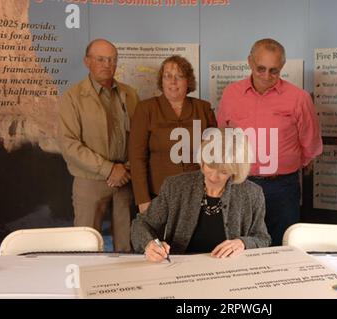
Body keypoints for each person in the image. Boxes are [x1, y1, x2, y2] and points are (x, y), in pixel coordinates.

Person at [217, 38, 322, 246]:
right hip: (241, 183)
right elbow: (224, 137)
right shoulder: (231, 94)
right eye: (261, 68)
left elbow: (310, 143)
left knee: (283, 245)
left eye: (274, 70)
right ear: (249, 62)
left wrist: (290, 163)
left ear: (282, 66)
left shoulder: (298, 98)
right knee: (240, 245)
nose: (266, 76)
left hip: (282, 186)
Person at [131, 128, 271, 261]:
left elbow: (263, 238)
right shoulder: (176, 186)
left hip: (231, 273)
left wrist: (242, 243)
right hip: (181, 270)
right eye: (210, 166)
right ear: (202, 159)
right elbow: (141, 224)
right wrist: (149, 244)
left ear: (236, 170)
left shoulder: (252, 193)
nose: (213, 177)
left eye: (223, 171)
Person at [58, 39, 139, 252]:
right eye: (100, 59)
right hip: (90, 182)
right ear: (87, 62)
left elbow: (140, 138)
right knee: (86, 246)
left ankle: (126, 286)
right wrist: (109, 169)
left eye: (112, 59)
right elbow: (69, 144)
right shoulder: (72, 98)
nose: (107, 64)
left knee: (126, 247)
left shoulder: (130, 95)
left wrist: (126, 168)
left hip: (125, 181)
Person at [129, 55, 217, 214]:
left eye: (179, 76)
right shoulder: (145, 109)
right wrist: (143, 200)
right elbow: (137, 158)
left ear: (188, 81)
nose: (172, 82)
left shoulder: (203, 108)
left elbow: (213, 156)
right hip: (159, 195)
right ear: (161, 81)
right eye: (167, 76)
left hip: (198, 193)